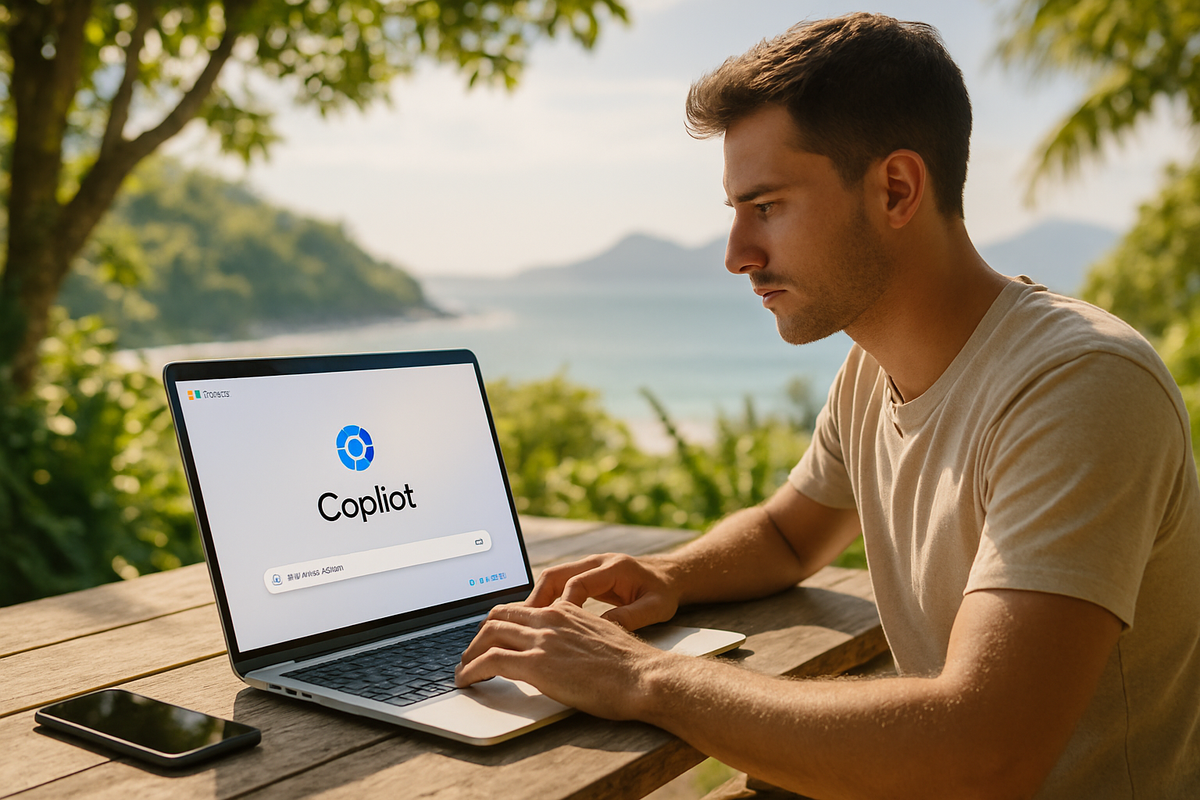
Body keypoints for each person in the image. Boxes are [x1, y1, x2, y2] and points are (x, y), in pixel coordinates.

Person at [455, 13, 1200, 799]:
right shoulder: (870, 371)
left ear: (897, 189)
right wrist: (666, 575)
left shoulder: (1079, 385)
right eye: (736, 212)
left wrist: (642, 676)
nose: (738, 254)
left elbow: (985, 750)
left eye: (767, 206)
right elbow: (786, 534)